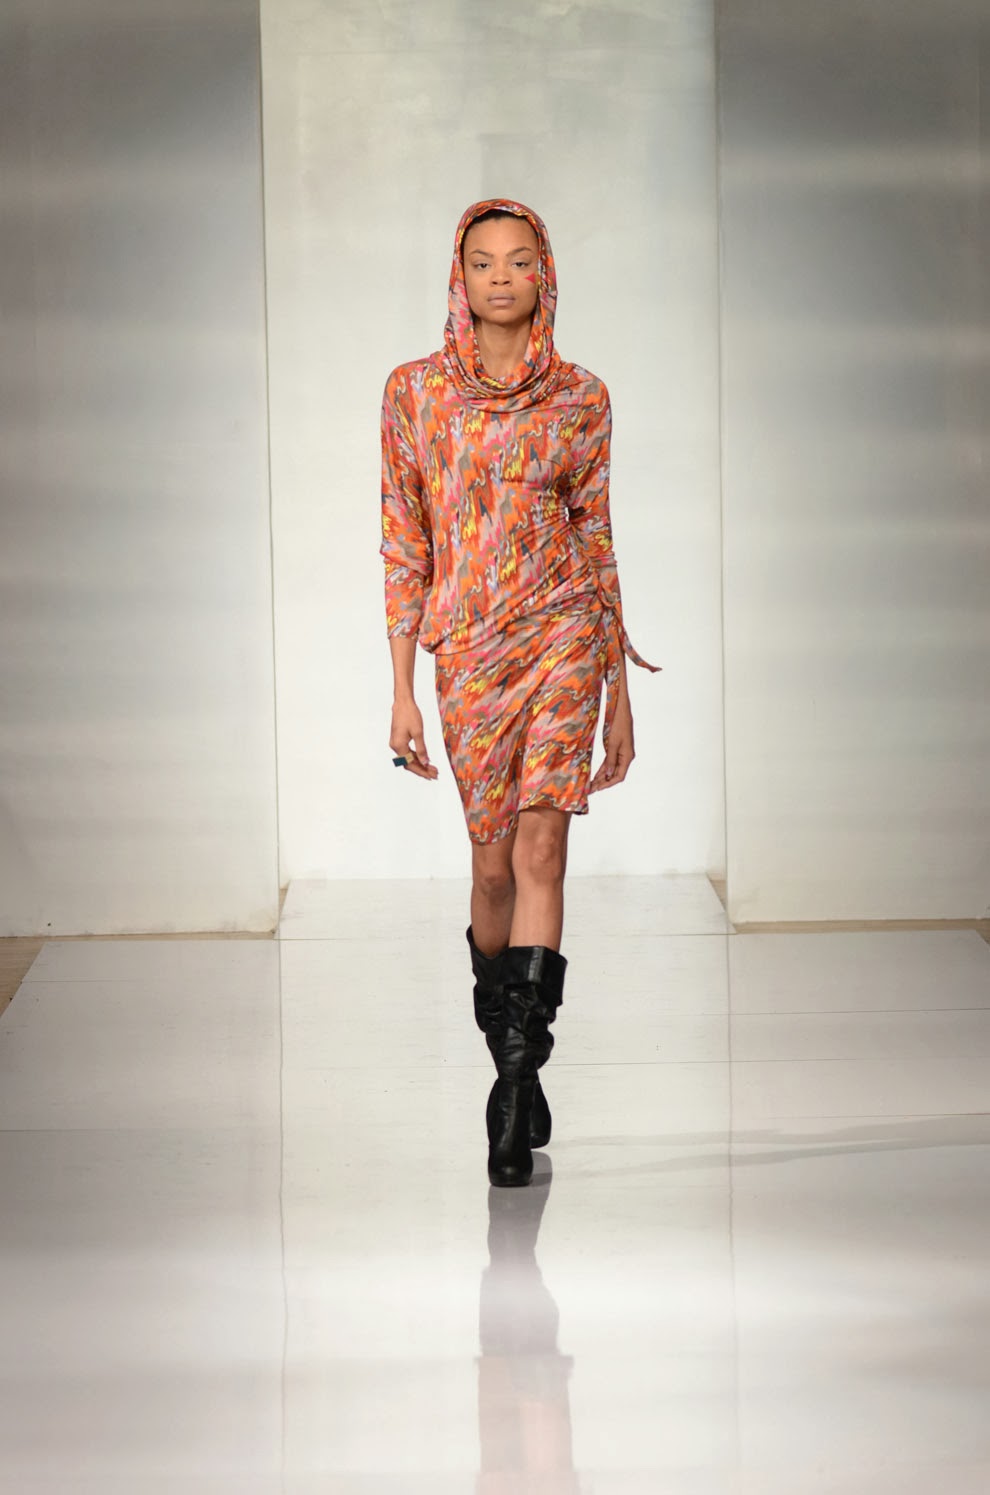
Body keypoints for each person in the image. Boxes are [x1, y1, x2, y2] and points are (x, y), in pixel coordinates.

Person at [381, 198, 657, 1188]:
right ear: (459, 277)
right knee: (493, 872)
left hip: (565, 634)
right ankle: (512, 1048)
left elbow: (597, 535)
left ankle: (511, 1087)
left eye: (520, 260)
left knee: (544, 850)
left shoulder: (582, 398)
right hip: (469, 649)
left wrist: (618, 687)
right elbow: (404, 541)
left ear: (546, 275)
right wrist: (403, 689)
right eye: (483, 261)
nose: (502, 276)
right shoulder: (414, 393)